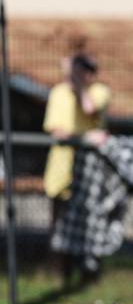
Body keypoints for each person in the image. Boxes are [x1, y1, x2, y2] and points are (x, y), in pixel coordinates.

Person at [42, 53, 110, 284]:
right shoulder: (58, 93)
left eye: (84, 71)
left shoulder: (99, 91)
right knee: (59, 225)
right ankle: (59, 274)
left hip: (89, 172)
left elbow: (89, 109)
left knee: (89, 225)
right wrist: (86, 137)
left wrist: (78, 84)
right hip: (62, 171)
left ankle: (89, 276)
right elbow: (57, 130)